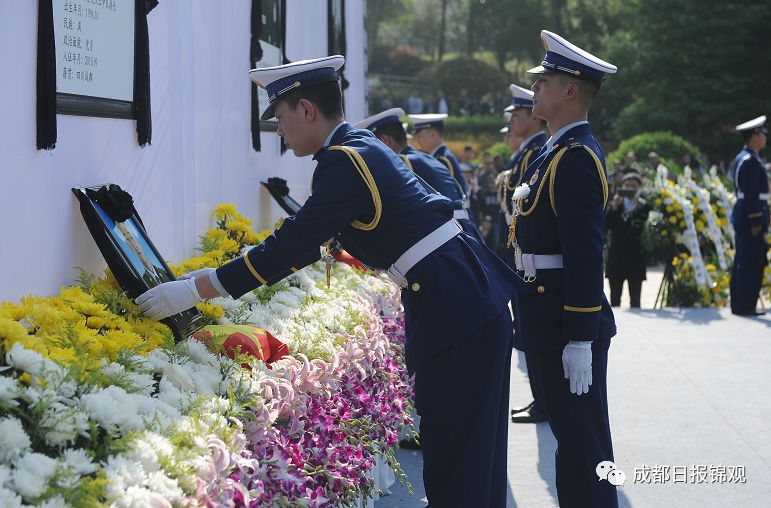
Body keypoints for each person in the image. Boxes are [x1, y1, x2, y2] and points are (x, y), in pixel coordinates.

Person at [135, 55, 518, 507]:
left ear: (307, 110)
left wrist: (195, 288)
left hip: (455, 306)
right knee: (474, 457)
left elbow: (291, 244)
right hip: (464, 297)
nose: (280, 131)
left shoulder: (344, 161)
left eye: (281, 117)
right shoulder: (360, 148)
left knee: (458, 459)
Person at [509, 31, 619, 507]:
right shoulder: (554, 152)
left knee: (584, 442)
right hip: (545, 313)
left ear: (571, 89)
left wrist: (579, 334)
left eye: (544, 80)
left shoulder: (574, 158)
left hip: (563, 319)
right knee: (572, 439)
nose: (535, 89)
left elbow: (584, 254)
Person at [353, 108, 484, 247]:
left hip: (449, 238)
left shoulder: (402, 162)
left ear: (385, 141)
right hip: (463, 232)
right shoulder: (423, 157)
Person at [499, 83, 549, 425]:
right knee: (529, 333)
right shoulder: (528, 151)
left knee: (536, 336)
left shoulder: (534, 152)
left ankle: (543, 400)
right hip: (522, 253)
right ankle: (541, 399)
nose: (512, 122)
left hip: (532, 256)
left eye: (516, 114)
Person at [730, 115, 769, 316]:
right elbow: (751, 194)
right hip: (750, 216)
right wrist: (756, 219)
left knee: (745, 260)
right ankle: (745, 305)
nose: (764, 137)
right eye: (761, 133)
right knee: (750, 262)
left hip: (745, 214)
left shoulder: (745, 158)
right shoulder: (750, 161)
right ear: (753, 137)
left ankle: (742, 304)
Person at [604, 172, 651, 308]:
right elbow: (606, 225)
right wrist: (613, 207)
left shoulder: (644, 207)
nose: (630, 188)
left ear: (639, 188)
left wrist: (638, 208)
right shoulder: (615, 204)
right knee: (615, 300)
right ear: (622, 187)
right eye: (627, 186)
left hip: (636, 257)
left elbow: (646, 229)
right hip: (617, 257)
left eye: (633, 186)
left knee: (635, 301)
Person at [408, 113, 471, 199]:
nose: (418, 140)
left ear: (433, 135)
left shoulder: (443, 159)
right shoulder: (440, 156)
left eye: (420, 136)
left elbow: (449, 192)